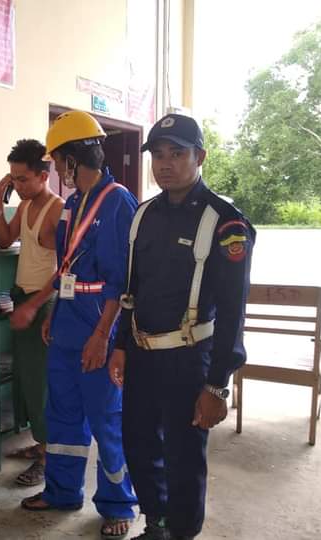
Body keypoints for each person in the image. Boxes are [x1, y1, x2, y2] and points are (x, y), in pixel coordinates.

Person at [108, 113, 255, 540]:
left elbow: (233, 312)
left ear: (200, 157)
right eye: (158, 154)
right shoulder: (144, 214)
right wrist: (121, 344)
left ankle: (182, 533)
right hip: (142, 355)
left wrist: (217, 385)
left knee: (183, 457)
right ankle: (157, 523)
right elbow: (132, 290)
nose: (165, 164)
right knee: (138, 445)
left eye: (177, 153)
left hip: (190, 359)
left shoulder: (224, 222)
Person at [20, 111, 138, 540]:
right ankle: (63, 491)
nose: (56, 169)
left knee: (106, 417)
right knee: (62, 414)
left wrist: (103, 335)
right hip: (68, 320)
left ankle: (118, 504)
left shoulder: (118, 202)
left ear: (72, 159)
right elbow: (66, 268)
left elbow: (122, 280)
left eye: (57, 160)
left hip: (98, 324)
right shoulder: (72, 204)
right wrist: (53, 311)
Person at [0, 139, 64, 487]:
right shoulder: (23, 205)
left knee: (40, 383)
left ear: (43, 175)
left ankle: (49, 456)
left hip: (42, 301)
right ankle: (41, 444)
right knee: (26, 378)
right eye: (13, 179)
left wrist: (34, 307)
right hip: (23, 297)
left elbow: (65, 268)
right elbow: (4, 240)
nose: (17, 185)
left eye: (22, 179)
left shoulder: (57, 209)